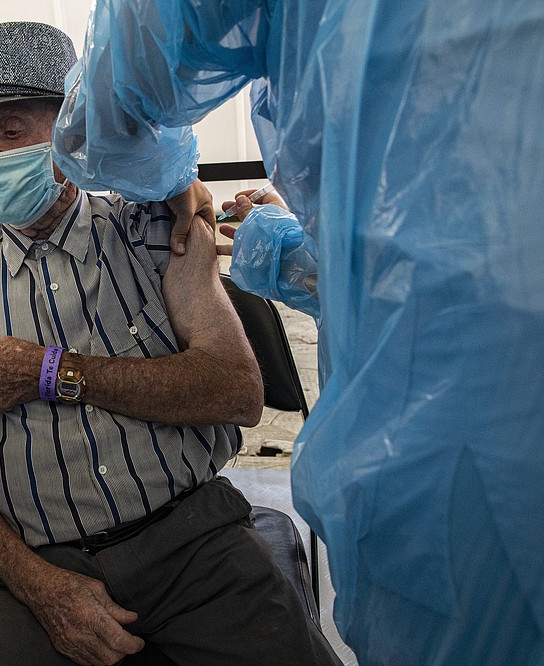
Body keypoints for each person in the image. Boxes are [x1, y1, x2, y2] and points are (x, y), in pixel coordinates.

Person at [51, 1, 544, 664]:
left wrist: (176, 184)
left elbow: (101, 123)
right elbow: (459, 253)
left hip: (436, 449)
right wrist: (295, 254)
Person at [0, 21, 340, 666]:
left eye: (11, 131)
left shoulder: (159, 234)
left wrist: (50, 371)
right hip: (33, 563)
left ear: (72, 137)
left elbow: (235, 393)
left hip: (191, 539)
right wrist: (37, 585)